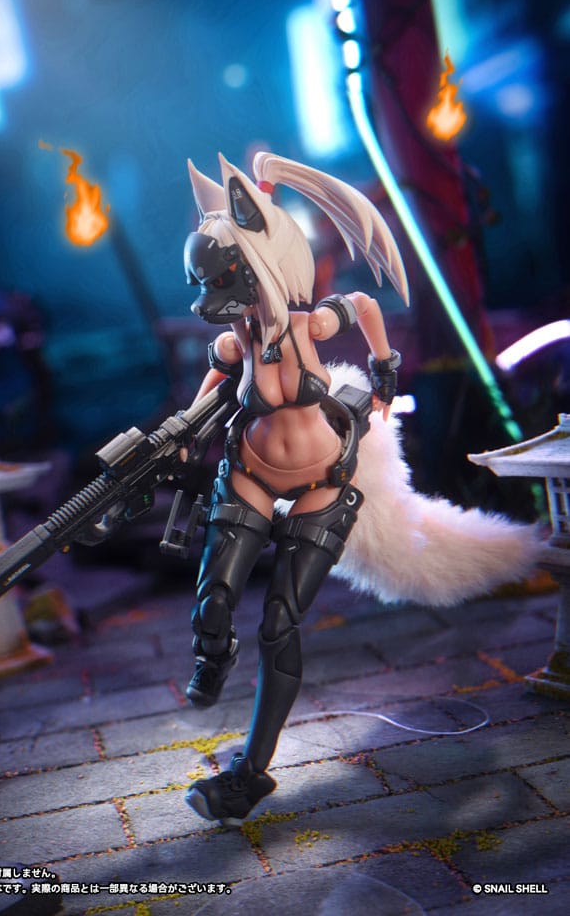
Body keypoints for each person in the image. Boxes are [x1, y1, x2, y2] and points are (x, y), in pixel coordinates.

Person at [181, 151, 408, 826]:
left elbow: (364, 302)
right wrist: (185, 428)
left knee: (279, 622)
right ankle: (212, 652)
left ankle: (249, 775)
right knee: (213, 602)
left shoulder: (311, 325)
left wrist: (384, 368)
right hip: (250, 471)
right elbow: (211, 387)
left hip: (322, 480)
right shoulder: (236, 342)